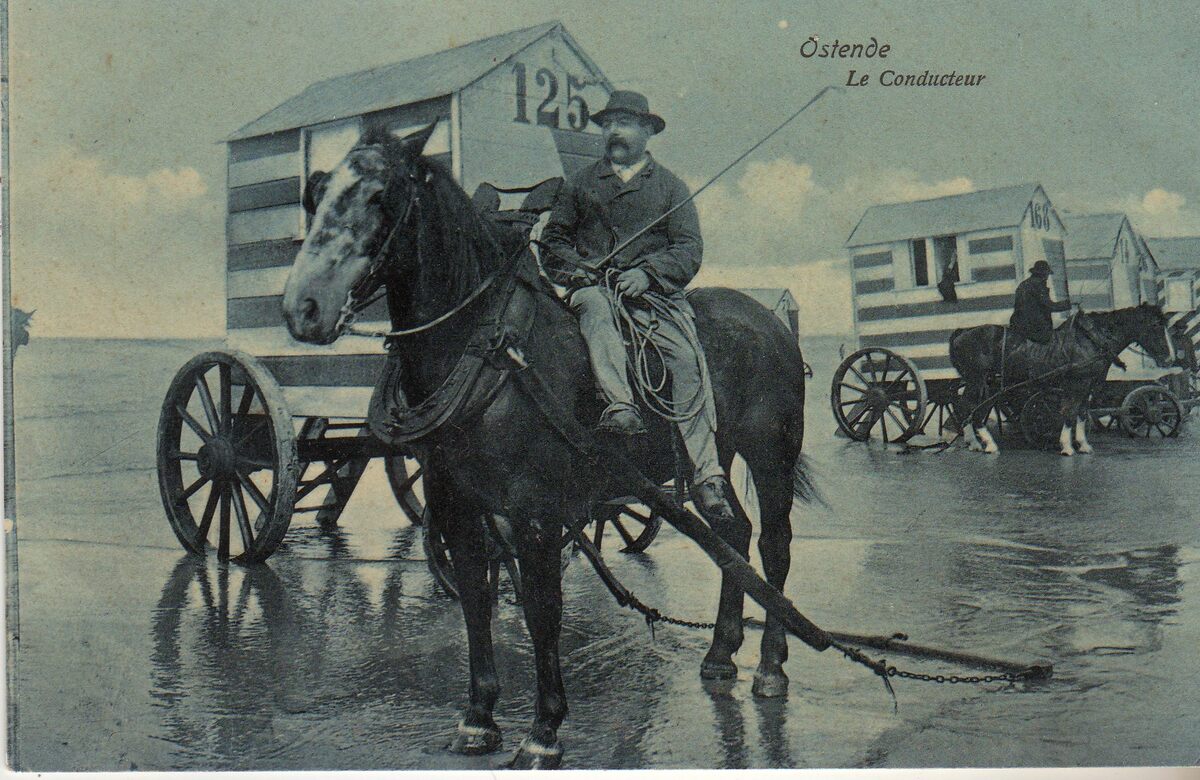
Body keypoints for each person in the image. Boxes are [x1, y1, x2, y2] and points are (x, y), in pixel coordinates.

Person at [539, 90, 735, 522]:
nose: (614, 131)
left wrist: (647, 274)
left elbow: (688, 249)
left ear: (647, 131)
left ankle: (707, 474)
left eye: (624, 123)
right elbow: (553, 241)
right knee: (593, 310)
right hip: (594, 289)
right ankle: (621, 407)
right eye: (608, 124)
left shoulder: (671, 188)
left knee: (687, 359)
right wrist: (580, 271)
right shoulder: (580, 184)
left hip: (654, 298)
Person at [1009, 260, 1072, 343]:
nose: (1047, 277)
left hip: (1017, 325)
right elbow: (1049, 306)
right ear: (1043, 274)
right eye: (1047, 274)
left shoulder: (1023, 284)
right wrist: (1069, 304)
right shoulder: (1038, 285)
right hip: (1035, 328)